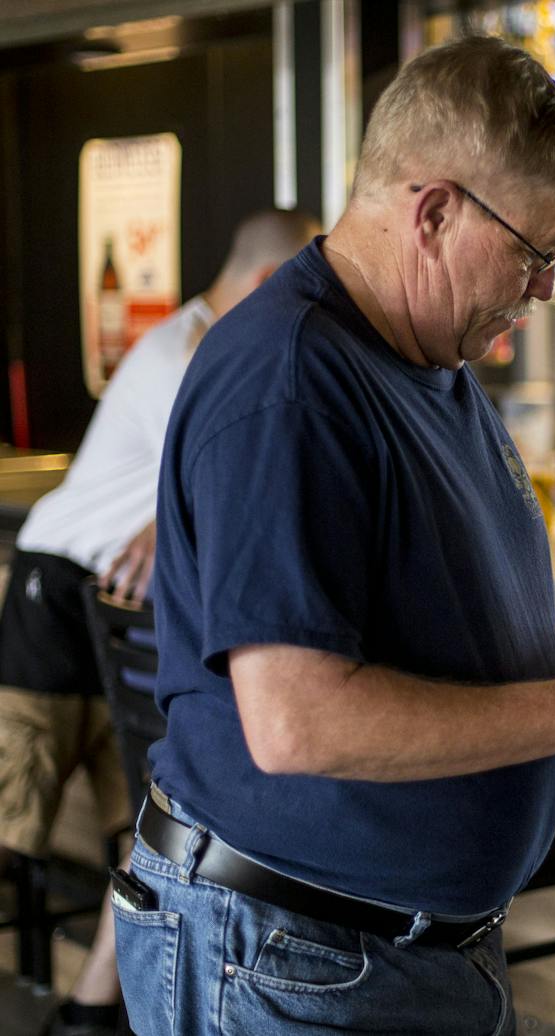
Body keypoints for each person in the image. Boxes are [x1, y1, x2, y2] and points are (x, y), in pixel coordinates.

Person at [112, 35, 555, 1036]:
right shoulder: (292, 386)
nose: (543, 288)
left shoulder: (427, 358)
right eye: (536, 251)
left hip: (392, 949)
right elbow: (300, 722)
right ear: (436, 211)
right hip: (290, 957)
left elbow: (431, 643)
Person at [0, 207, 317, 1036]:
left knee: (150, 824)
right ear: (263, 283)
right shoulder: (192, 353)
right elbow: (220, 486)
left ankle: (90, 1013)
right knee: (10, 825)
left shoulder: (208, 344)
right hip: (57, 589)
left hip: (116, 606)